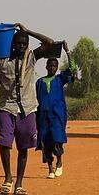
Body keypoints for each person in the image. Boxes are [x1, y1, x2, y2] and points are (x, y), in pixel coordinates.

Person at [0, 23, 55, 195]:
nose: (22, 46)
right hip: (7, 108)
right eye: (18, 43)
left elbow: (49, 42)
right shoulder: (2, 62)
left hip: (28, 109)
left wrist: (28, 31)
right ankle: (8, 178)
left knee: (23, 148)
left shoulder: (32, 58)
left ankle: (19, 183)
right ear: (12, 44)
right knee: (4, 143)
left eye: (24, 44)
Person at [35, 42, 78, 179]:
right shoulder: (39, 82)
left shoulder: (60, 79)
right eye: (50, 65)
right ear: (46, 67)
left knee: (57, 139)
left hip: (57, 115)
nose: (52, 68)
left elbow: (72, 69)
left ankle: (59, 162)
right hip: (43, 116)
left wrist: (67, 51)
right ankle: (50, 169)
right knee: (46, 142)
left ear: (57, 67)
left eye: (55, 66)